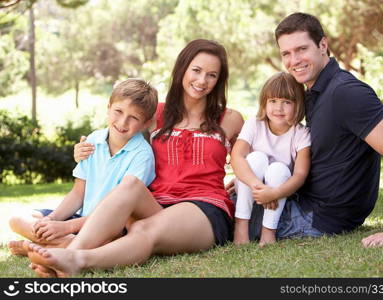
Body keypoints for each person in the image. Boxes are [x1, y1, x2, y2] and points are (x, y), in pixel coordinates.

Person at [26, 39, 244, 277]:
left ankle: (78, 258)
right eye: (197, 70)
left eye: (212, 75)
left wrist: (243, 181)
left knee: (142, 228)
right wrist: (82, 150)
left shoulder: (231, 119)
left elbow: (251, 160)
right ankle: (68, 255)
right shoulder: (156, 114)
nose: (202, 81)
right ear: (182, 69)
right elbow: (115, 133)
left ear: (219, 80)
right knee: (130, 184)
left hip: (203, 207)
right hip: (156, 203)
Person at [252, 12, 383, 247]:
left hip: (317, 217)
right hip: (305, 202)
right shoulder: (315, 91)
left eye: (301, 49)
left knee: (221, 210)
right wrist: (256, 176)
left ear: (323, 45)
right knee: (235, 196)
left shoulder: (346, 92)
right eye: (286, 53)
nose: (293, 60)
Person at [8, 78, 158, 257]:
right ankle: (64, 244)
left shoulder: (142, 155)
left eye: (134, 117)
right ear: (108, 107)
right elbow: (78, 193)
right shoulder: (93, 141)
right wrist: (52, 220)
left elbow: (124, 212)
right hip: (80, 218)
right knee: (16, 219)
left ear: (146, 123)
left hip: (110, 226)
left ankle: (47, 246)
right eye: (118, 111)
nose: (123, 122)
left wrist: (65, 227)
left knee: (112, 240)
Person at [231, 72, 311, 246]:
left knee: (279, 169)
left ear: (298, 105)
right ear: (264, 103)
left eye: (286, 102)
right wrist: (257, 186)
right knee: (257, 158)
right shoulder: (254, 124)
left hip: (279, 191)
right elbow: (236, 157)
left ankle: (268, 231)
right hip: (249, 188)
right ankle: (241, 225)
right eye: (273, 101)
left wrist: (274, 193)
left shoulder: (301, 133)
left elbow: (300, 175)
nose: (278, 108)